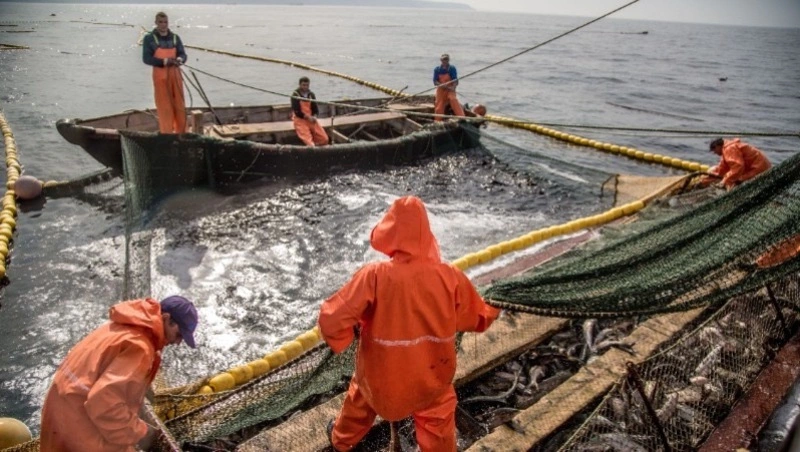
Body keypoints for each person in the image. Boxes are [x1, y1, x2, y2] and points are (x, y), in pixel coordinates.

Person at [318, 196, 500, 451]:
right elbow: (477, 317)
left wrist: (347, 336)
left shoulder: (373, 276)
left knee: (360, 398)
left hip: (380, 378)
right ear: (427, 234)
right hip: (430, 378)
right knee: (438, 419)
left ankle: (341, 441)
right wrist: (494, 307)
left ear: (390, 233)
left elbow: (332, 318)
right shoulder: (451, 277)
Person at [40, 296, 199, 451]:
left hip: (56, 415)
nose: (178, 342)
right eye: (179, 335)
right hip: (78, 427)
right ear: (166, 318)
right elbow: (103, 403)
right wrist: (142, 433)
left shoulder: (121, 326)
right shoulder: (140, 348)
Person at [142, 12, 187, 134]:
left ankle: (182, 133)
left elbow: (183, 54)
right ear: (156, 23)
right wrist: (163, 61)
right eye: (160, 22)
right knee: (164, 107)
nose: (163, 25)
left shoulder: (175, 38)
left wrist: (180, 59)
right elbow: (146, 59)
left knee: (180, 106)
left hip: (176, 76)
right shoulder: (149, 39)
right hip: (161, 78)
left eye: (165, 22)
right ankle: (167, 134)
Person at [705, 138, 771, 190]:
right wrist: (707, 179)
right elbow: (723, 168)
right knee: (731, 178)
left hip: (759, 168)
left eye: (714, 150)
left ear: (717, 146)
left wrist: (725, 180)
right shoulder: (726, 149)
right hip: (758, 166)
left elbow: (738, 166)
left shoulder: (729, 149)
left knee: (736, 181)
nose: (715, 153)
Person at [291, 76, 329, 147]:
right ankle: (312, 146)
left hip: (311, 120)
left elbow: (315, 110)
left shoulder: (311, 95)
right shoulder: (295, 95)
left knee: (325, 139)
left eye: (307, 85)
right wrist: (308, 117)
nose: (305, 87)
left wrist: (314, 116)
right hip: (300, 120)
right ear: (299, 85)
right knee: (309, 143)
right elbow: (297, 112)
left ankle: (316, 147)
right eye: (303, 85)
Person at [433, 53, 465, 121]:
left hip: (450, 89)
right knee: (439, 105)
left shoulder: (452, 68)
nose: (445, 61)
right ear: (441, 60)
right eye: (443, 60)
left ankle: (462, 118)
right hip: (441, 90)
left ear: (448, 60)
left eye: (446, 59)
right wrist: (441, 85)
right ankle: (438, 121)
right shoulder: (437, 69)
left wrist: (453, 87)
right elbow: (435, 82)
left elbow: (455, 80)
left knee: (453, 99)